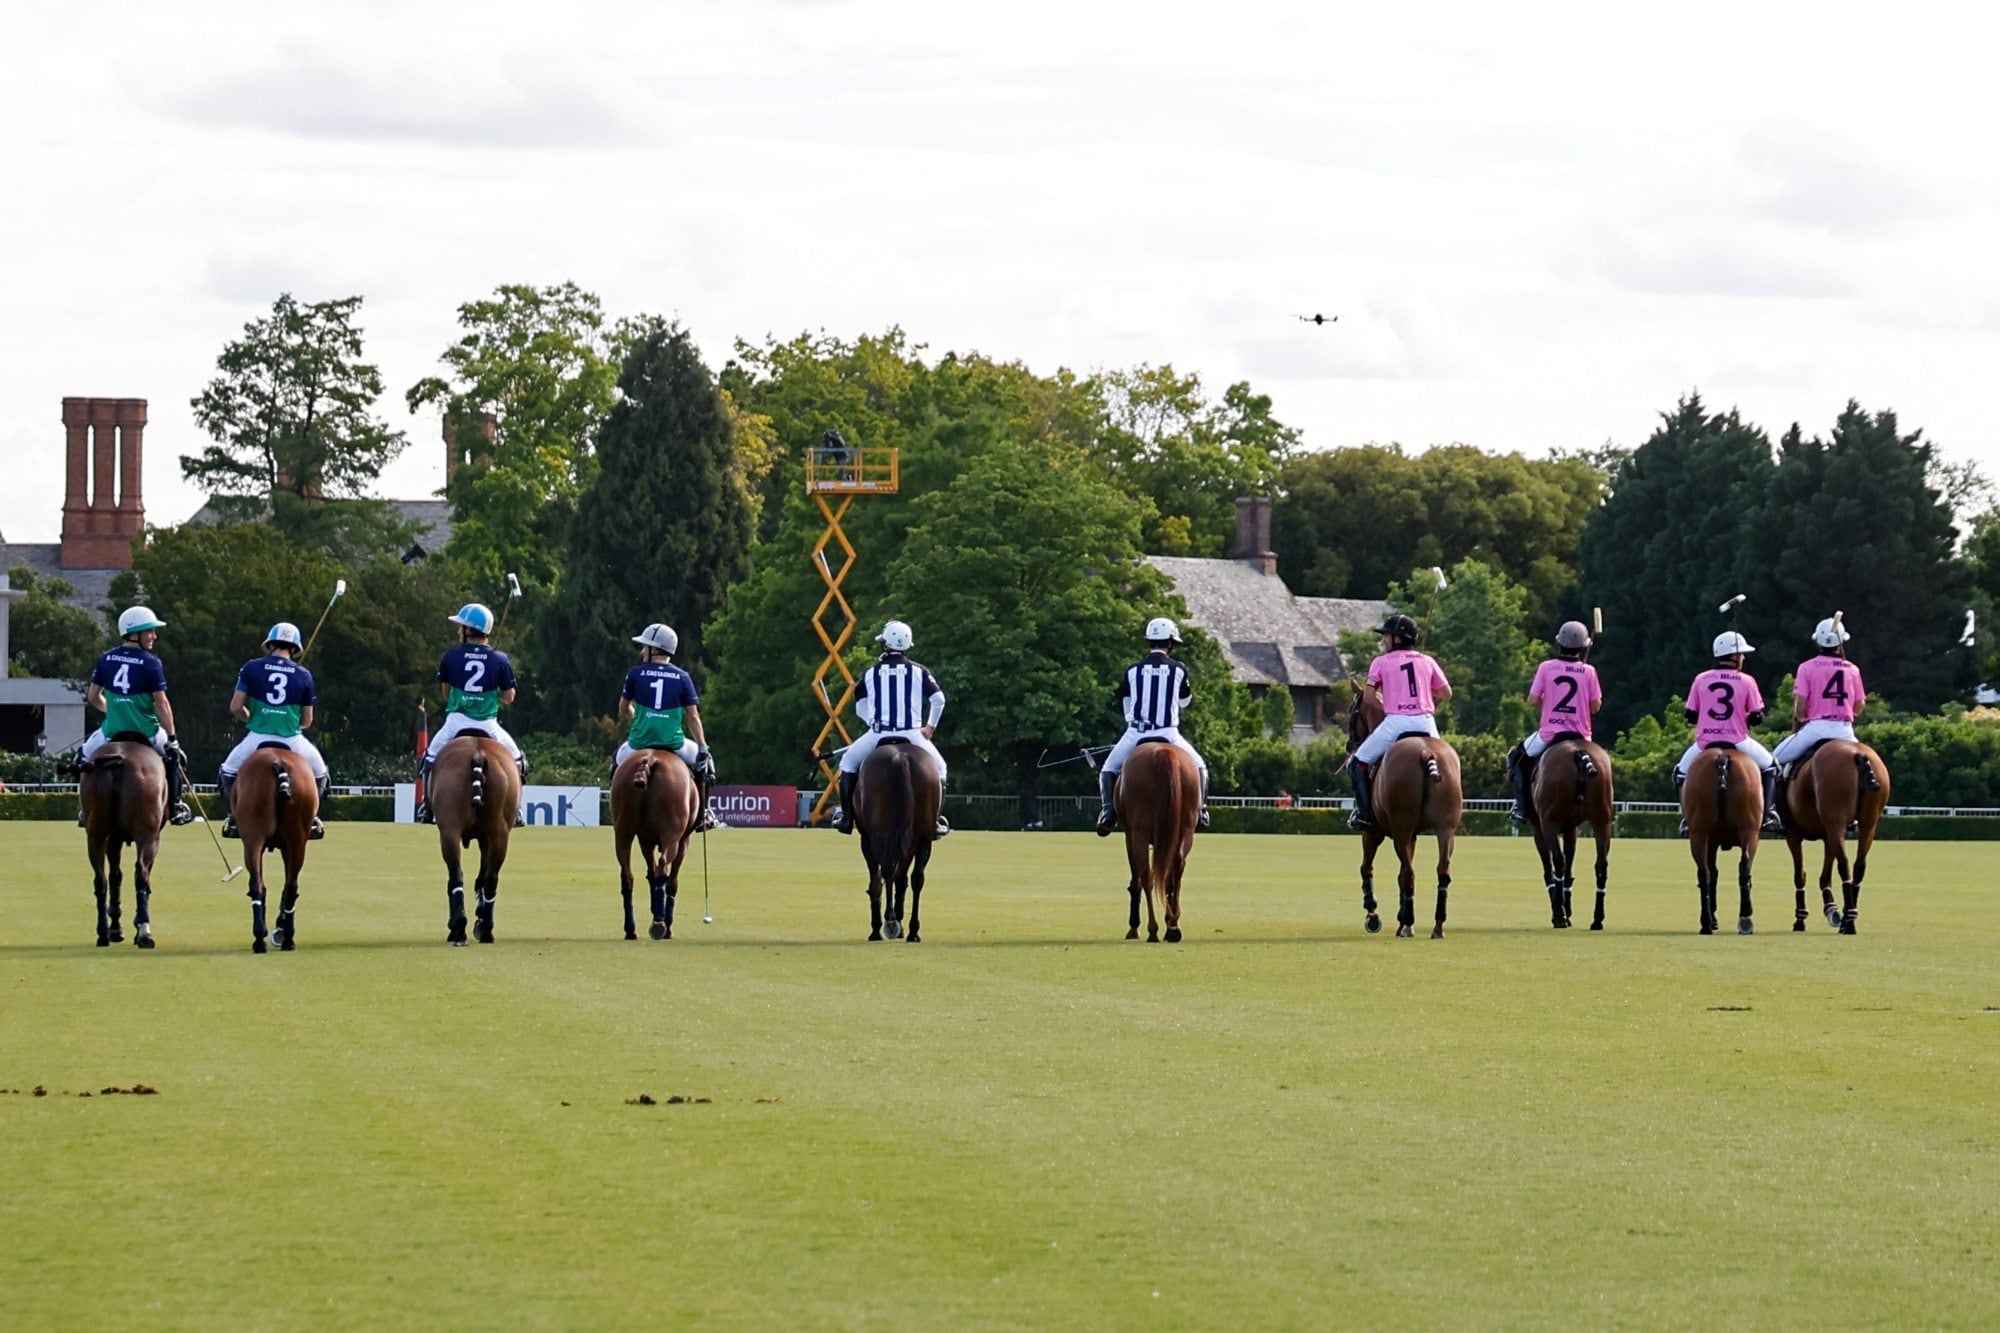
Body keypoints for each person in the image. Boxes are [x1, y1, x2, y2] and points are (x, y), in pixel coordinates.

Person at [76, 606, 193, 826]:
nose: (154, 636)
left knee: (82, 758)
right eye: (150, 631)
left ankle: (84, 810)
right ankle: (175, 806)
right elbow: (162, 703)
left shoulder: (106, 658)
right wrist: (173, 738)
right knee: (175, 758)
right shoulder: (151, 662)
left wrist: (113, 709)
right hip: (146, 732)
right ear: (135, 632)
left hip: (111, 731)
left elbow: (93, 697)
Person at [834, 619, 950, 838]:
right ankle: (934, 822)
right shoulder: (919, 671)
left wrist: (872, 721)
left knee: (847, 764)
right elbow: (939, 700)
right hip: (913, 734)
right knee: (941, 769)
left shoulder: (870, 673)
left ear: (886, 644)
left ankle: (847, 818)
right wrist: (930, 727)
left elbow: (859, 705)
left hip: (878, 733)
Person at [1095, 617, 1210, 835]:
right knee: (1200, 767)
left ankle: (1107, 813)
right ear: (1170, 643)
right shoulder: (1179, 669)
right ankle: (1202, 810)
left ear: (1150, 641)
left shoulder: (1132, 670)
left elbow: (1126, 702)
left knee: (1108, 769)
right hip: (1169, 733)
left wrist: (1132, 720)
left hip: (1136, 733)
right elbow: (1185, 702)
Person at [415, 602, 528, 825]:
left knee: (428, 759)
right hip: (488, 724)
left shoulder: (450, 656)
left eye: (461, 626)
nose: (459, 630)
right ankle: (516, 811)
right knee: (518, 761)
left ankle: (427, 809)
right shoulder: (500, 659)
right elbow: (509, 697)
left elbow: (446, 694)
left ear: (469, 630)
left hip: (456, 722)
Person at [218, 622, 329, 840]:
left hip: (257, 738)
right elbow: (307, 720)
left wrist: (251, 718)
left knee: (227, 772)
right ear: (295, 648)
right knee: (320, 773)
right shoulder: (304, 674)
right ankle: (312, 818)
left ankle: (235, 818)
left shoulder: (251, 667)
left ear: (270, 645)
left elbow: (235, 707)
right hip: (292, 739)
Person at [1348, 613, 1452, 830]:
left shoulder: (1380, 662)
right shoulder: (1428, 660)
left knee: (1357, 762)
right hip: (1426, 723)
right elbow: (1446, 693)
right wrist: (1424, 688)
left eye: (1387, 636)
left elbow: (1367, 697)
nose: (1384, 640)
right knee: (1445, 762)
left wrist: (1388, 706)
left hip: (1396, 722)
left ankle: (1365, 816)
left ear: (1397, 639)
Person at [613, 623, 718, 833]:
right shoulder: (683, 677)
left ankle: (618, 810)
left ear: (654, 649)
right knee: (705, 767)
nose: (642, 651)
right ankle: (703, 814)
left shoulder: (635, 673)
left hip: (639, 743)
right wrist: (703, 747)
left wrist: (636, 717)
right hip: (674, 743)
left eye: (645, 647)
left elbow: (623, 709)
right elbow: (693, 716)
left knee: (616, 764)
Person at [1673, 631, 1781, 833]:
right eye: (1741, 655)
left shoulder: (1701, 679)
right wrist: (1745, 718)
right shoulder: (1747, 680)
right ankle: (1767, 814)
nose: (1743, 658)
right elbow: (1758, 716)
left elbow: (1690, 715)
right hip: (1738, 741)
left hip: (1705, 742)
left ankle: (1687, 818)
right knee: (1771, 767)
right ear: (1734, 656)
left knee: (1679, 773)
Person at [1769, 616, 1866, 830]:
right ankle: (1857, 814)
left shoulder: (1806, 668)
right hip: (1845, 730)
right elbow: (1859, 707)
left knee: (1772, 762)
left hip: (1815, 729)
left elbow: (1800, 709)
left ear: (1819, 642)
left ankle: (1771, 812)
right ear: (1841, 642)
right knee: (1867, 769)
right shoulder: (1853, 669)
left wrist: (1803, 717)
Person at [1507, 621, 1604, 822]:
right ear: (1583, 646)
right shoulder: (1589, 671)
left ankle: (1522, 807)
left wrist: (1547, 702)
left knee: (1517, 757)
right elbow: (1595, 706)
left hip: (1550, 732)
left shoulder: (1546, 667)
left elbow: (1532, 700)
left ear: (1559, 643)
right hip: (1581, 734)